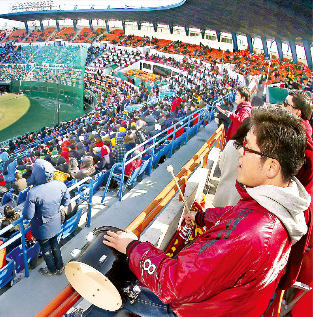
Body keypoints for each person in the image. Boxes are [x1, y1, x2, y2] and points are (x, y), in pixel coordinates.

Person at [88, 106, 310, 316]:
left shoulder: (251, 232)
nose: (240, 152)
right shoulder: (279, 207)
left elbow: (176, 284)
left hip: (196, 309)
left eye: (248, 147)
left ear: (272, 167)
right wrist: (201, 217)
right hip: (234, 306)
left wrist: (133, 246)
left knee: (116, 288)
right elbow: (235, 216)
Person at [23, 159, 70, 275]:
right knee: (55, 244)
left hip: (41, 227)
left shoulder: (33, 192)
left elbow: (28, 215)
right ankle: (60, 267)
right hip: (55, 222)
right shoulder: (60, 184)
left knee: (46, 248)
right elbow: (66, 202)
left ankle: (52, 270)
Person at [212, 118, 251, 207]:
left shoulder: (231, 143)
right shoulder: (251, 152)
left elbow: (221, 165)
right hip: (238, 198)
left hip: (223, 191)